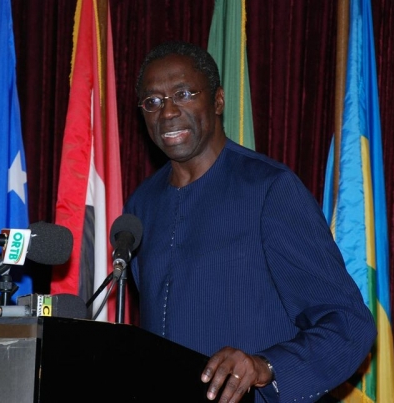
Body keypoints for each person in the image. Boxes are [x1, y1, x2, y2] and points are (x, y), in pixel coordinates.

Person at [123, 41, 377, 402]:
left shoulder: (269, 190)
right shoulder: (141, 205)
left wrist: (265, 366)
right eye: (153, 101)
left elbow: (348, 324)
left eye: (184, 94)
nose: (167, 112)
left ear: (218, 101)